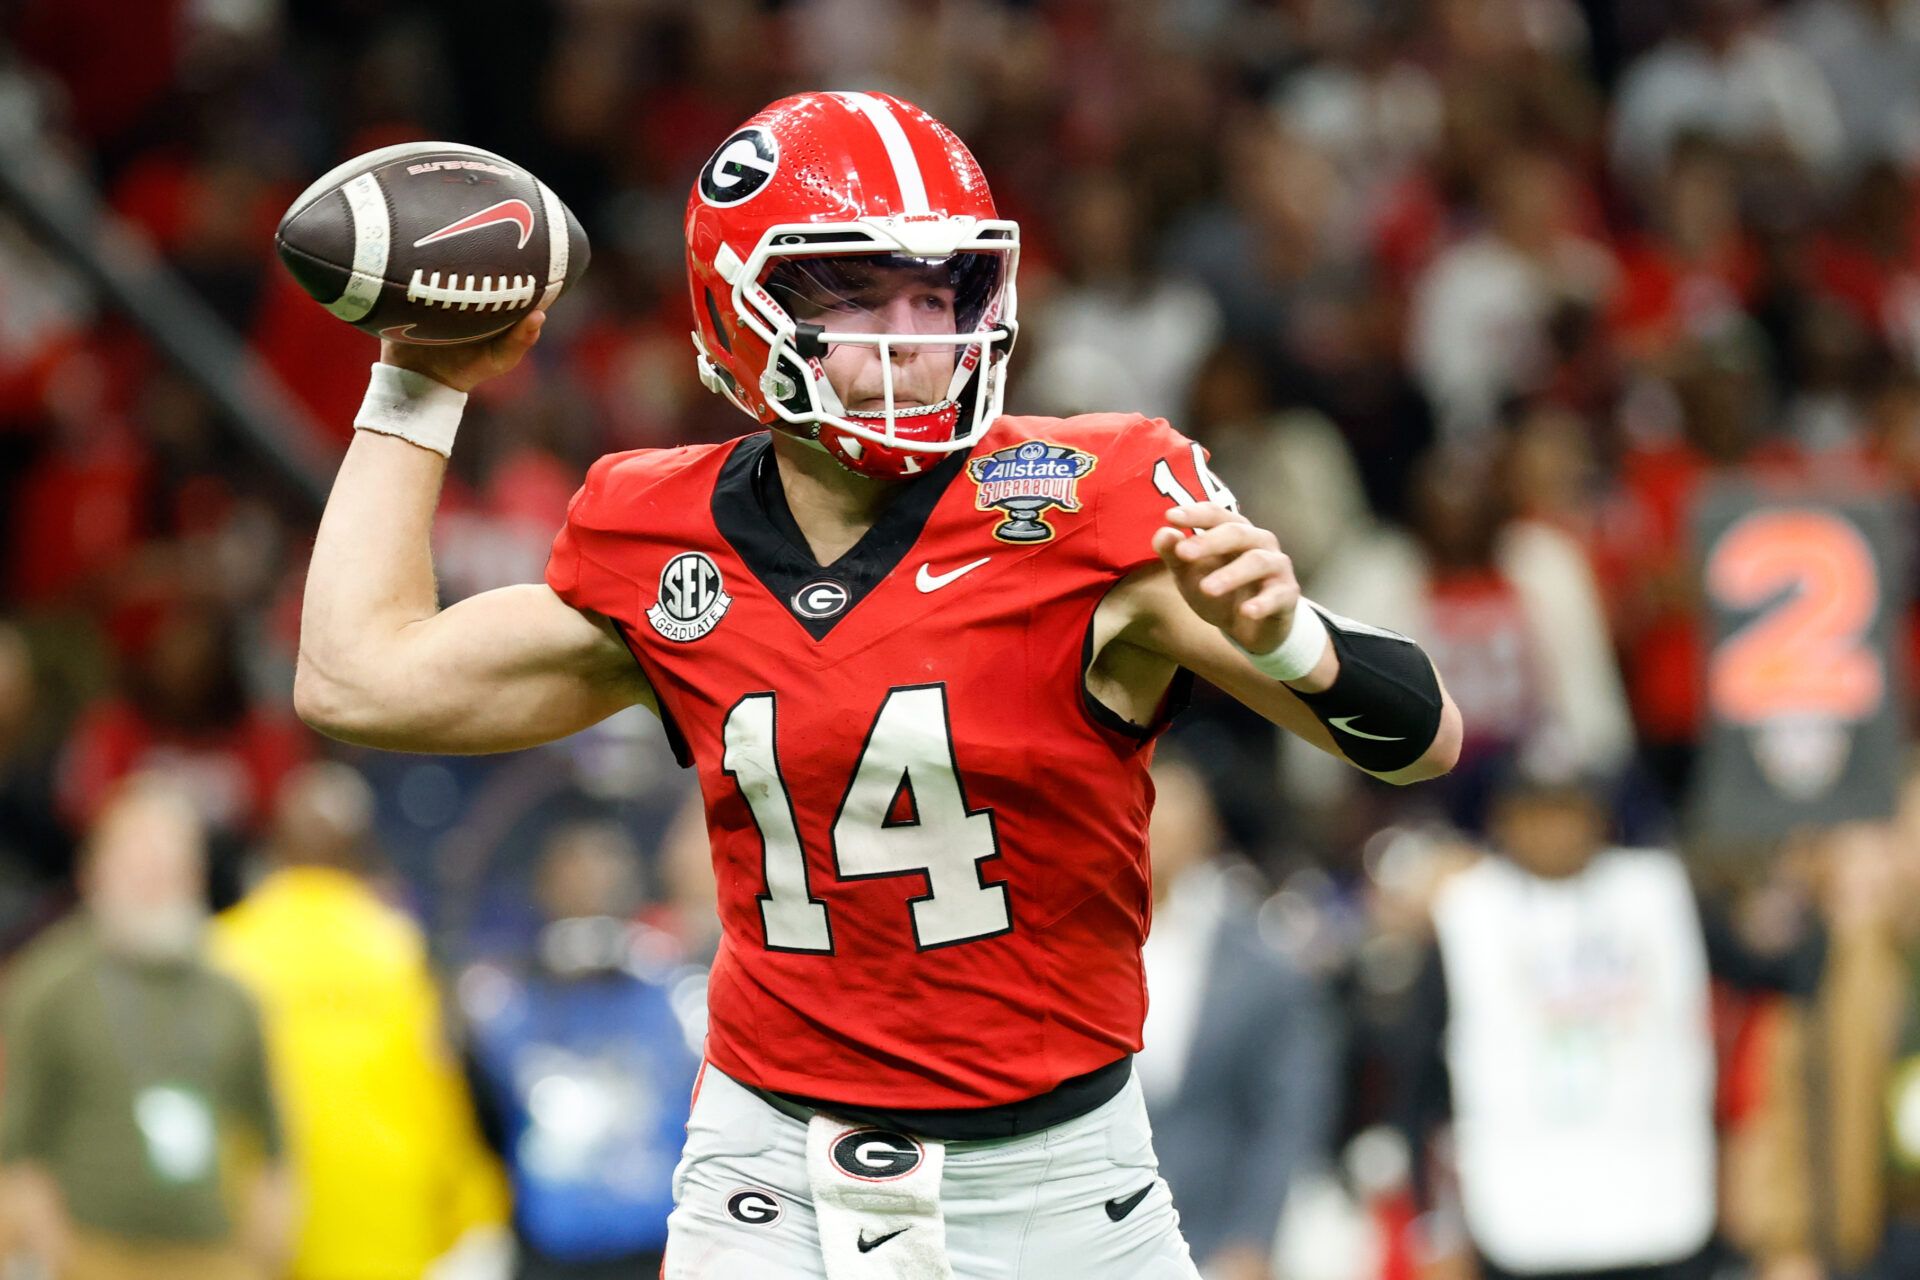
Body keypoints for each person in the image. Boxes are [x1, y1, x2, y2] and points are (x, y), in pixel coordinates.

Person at [293, 91, 1461, 1279]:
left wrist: (1290, 645)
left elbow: (1423, 741)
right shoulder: (658, 533)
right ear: (736, 313)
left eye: (937, 289)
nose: (912, 332)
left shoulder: (1091, 500)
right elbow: (358, 677)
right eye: (855, 292)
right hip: (770, 1170)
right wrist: (416, 385)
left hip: (1053, 1180)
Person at [1391, 763, 1823, 1280]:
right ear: (1502, 822)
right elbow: (1417, 1083)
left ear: (1600, 818)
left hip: (1659, 1212)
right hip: (1522, 1219)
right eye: (1536, 814)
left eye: (1569, 812)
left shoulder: (1659, 894)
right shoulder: (1469, 912)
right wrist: (1433, 1225)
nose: (1555, 831)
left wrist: (1809, 876)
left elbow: (1778, 973)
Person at [210, 760, 512, 1280]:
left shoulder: (225, 951)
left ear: (269, 851)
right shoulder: (397, 950)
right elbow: (440, 1093)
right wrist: (478, 1210)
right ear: (364, 855)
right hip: (393, 1234)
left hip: (263, 1235)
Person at [0, 774, 293, 1280]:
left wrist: (259, 1259)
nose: (152, 876)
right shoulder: (48, 985)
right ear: (94, 871)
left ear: (195, 875)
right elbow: (16, 1147)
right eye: (136, 859)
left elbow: (274, 1147)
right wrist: (47, 1253)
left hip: (211, 1258)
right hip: (90, 1256)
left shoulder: (236, 992)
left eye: (168, 861)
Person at [461, 820, 702, 1280]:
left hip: (658, 1248)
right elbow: (482, 1124)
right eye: (575, 874)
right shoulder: (501, 1006)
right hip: (549, 1252)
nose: (594, 884)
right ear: (544, 887)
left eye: (608, 873)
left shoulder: (684, 1002)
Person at [1137, 754, 1338, 1280]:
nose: (1152, 831)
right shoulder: (1063, 950)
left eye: (1168, 814)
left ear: (1207, 829)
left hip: (1220, 1239)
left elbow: (1288, 1113)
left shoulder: (1263, 961)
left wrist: (1254, 1239)